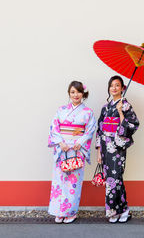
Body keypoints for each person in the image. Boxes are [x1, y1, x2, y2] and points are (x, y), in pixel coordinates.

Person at [48, 81, 96, 224]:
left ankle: (70, 212)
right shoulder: (61, 110)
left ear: (83, 94)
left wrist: (80, 143)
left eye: (78, 92)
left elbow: (90, 130)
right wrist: (61, 143)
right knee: (59, 181)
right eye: (73, 92)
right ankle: (58, 211)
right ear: (69, 93)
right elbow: (54, 128)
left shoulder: (88, 112)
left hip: (77, 150)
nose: (76, 95)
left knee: (73, 182)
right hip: (62, 149)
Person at [96, 75, 139, 223]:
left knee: (116, 178)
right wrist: (99, 151)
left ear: (122, 88)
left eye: (117, 85)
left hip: (117, 147)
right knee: (110, 180)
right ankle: (117, 210)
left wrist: (121, 112)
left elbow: (133, 125)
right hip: (105, 147)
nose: (114, 88)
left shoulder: (125, 105)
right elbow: (100, 129)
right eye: (111, 85)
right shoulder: (105, 107)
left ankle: (122, 210)